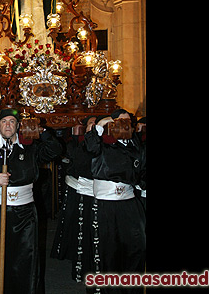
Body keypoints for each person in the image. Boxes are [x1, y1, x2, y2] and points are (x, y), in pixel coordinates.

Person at [0, 108, 62, 294]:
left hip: (25, 214)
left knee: (24, 256)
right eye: (4, 122)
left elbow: (55, 150)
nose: (8, 125)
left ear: (18, 126)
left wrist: (42, 133)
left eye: (12, 121)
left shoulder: (30, 148)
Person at [86, 109, 146, 294]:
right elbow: (90, 147)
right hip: (106, 205)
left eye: (127, 122)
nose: (124, 126)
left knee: (136, 246)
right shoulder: (102, 145)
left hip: (129, 203)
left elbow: (142, 171)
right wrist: (100, 125)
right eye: (119, 122)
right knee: (109, 252)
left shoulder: (136, 147)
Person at [50, 116, 98, 283]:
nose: (94, 127)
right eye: (91, 124)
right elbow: (79, 160)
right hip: (79, 188)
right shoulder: (75, 144)